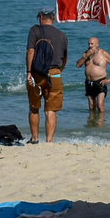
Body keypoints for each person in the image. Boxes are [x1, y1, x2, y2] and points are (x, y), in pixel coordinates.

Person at [25, 9, 68, 144]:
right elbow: (64, 58)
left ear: (41, 17)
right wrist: (58, 71)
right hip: (55, 74)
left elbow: (30, 51)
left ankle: (35, 139)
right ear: (53, 18)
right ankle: (49, 141)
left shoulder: (35, 30)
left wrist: (29, 72)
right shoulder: (62, 35)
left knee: (34, 108)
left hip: (37, 74)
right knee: (51, 110)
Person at [74, 36, 110, 112]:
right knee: (91, 107)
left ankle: (102, 119)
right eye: (89, 44)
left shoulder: (103, 54)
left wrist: (109, 78)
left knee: (100, 106)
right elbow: (78, 65)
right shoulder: (86, 53)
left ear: (97, 44)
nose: (90, 46)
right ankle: (92, 120)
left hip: (100, 82)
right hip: (89, 82)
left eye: (92, 44)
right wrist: (86, 56)